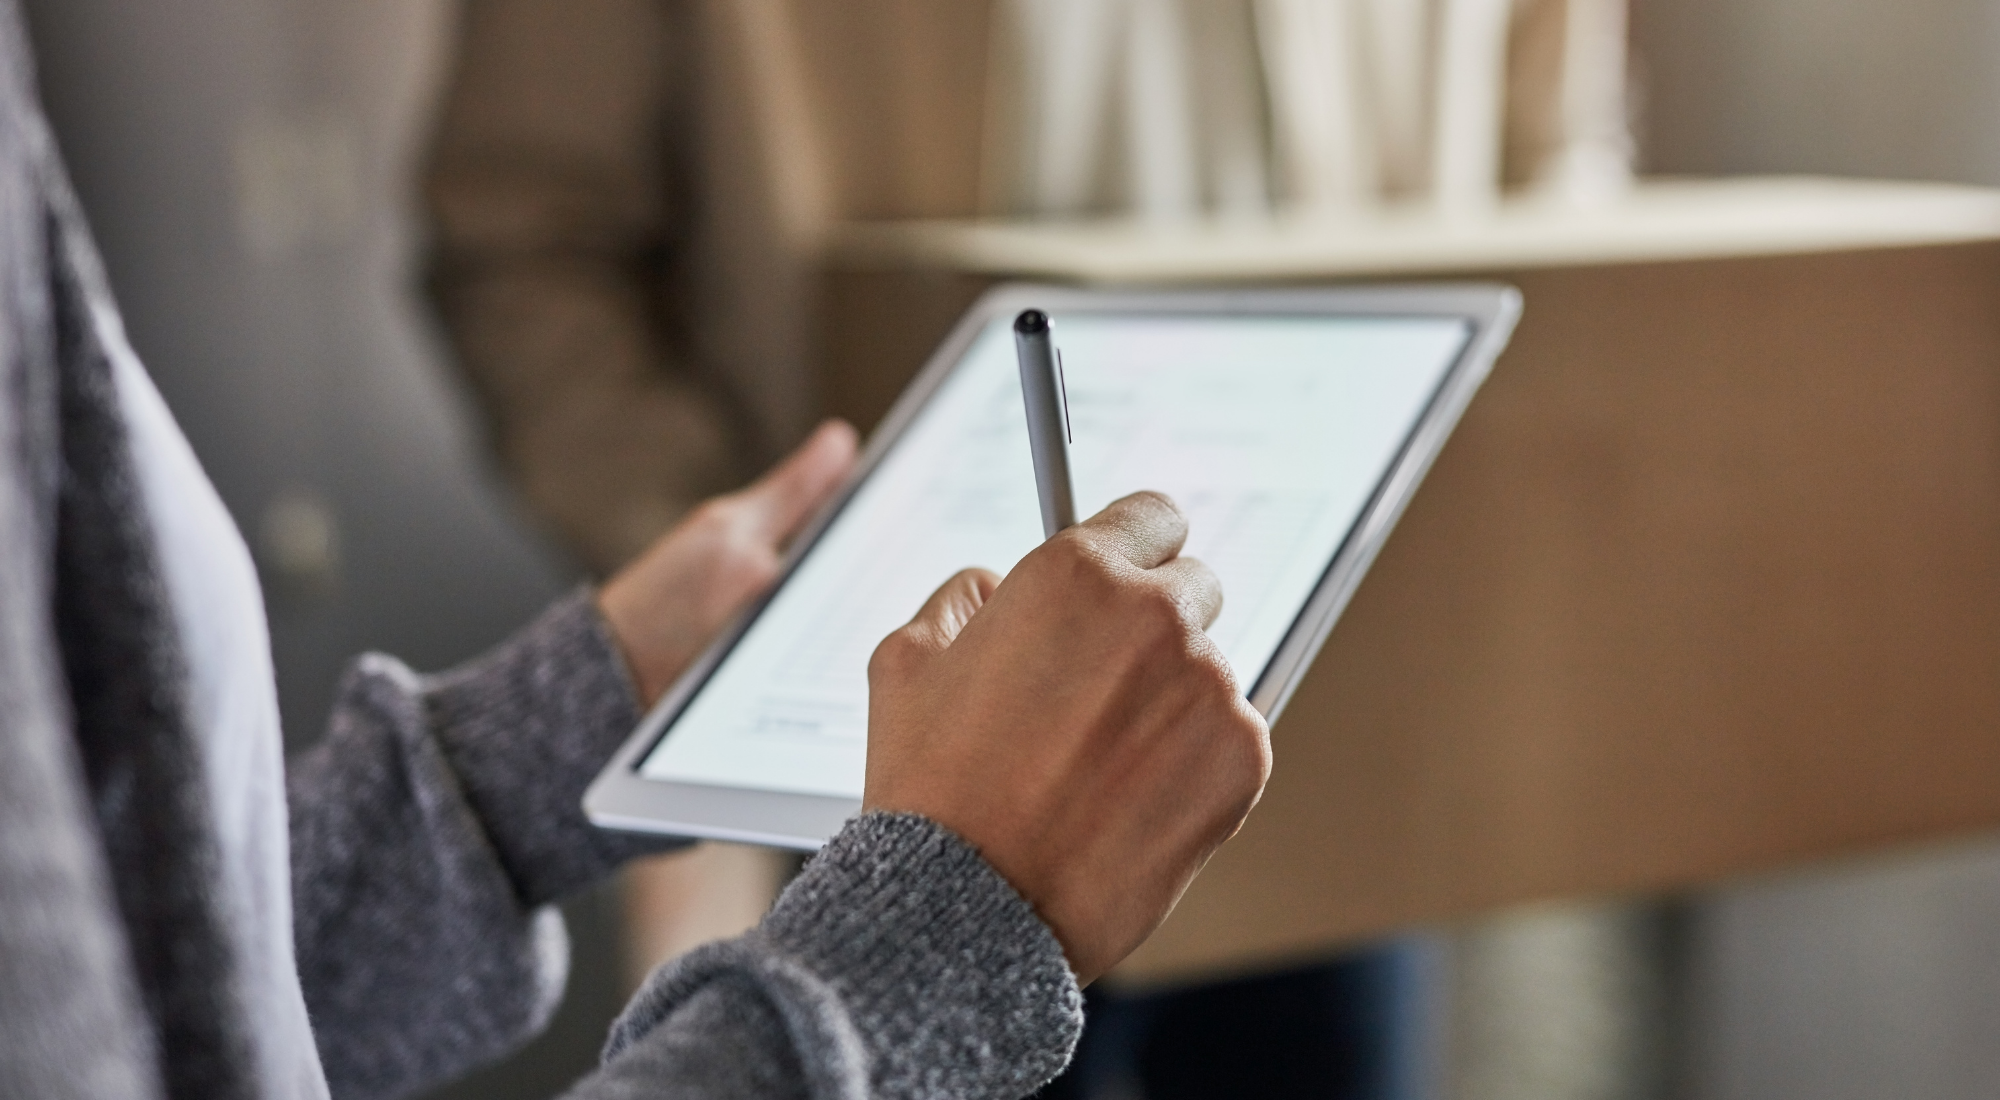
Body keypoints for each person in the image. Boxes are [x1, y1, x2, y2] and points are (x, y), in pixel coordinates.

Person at [0, 5, 1271, 1099]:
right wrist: (929, 933)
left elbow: (157, 968)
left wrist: (554, 728)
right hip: (934, 802)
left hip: (1263, 774)